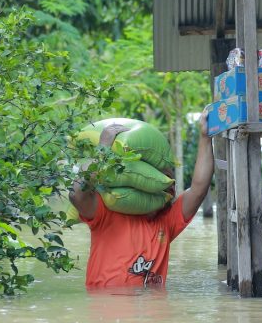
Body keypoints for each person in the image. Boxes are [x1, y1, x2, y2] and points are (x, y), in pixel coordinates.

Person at [69, 113, 214, 289]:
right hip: (107, 310)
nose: (170, 184)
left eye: (169, 179)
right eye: (164, 178)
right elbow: (77, 194)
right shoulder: (107, 212)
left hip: (153, 313)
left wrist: (205, 137)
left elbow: (199, 189)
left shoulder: (166, 222)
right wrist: (103, 149)